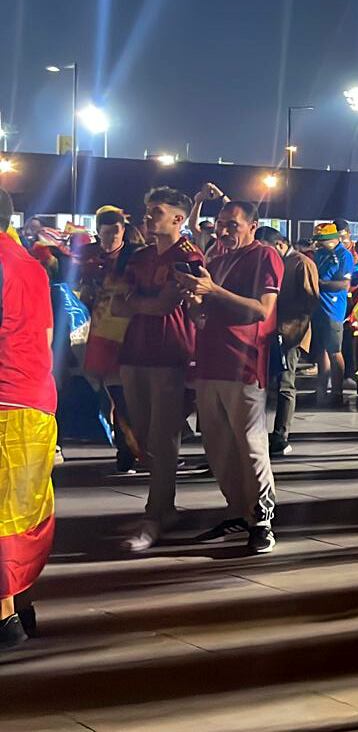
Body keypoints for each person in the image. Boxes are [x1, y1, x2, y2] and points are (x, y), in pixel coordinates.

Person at [178, 200, 283, 554]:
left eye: (232, 225)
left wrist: (213, 291)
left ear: (252, 225)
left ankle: (262, 519)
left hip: (244, 362)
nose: (223, 230)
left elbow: (262, 310)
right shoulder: (217, 259)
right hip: (210, 360)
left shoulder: (265, 256)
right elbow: (202, 315)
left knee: (250, 444)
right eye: (221, 223)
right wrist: (193, 299)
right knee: (217, 443)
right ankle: (238, 510)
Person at [117, 187, 205, 552]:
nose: (148, 216)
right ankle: (163, 506)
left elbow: (163, 306)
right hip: (133, 351)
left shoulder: (189, 255)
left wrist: (136, 301)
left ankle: (155, 514)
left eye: (157, 211)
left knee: (163, 436)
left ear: (178, 218)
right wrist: (142, 302)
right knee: (141, 434)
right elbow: (118, 302)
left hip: (170, 353)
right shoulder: (140, 256)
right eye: (148, 210)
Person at [0, 189, 57, 651]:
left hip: (3, 400)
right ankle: (22, 603)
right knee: (23, 508)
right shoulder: (32, 265)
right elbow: (48, 334)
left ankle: (4, 620)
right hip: (35, 399)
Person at [77, 207, 139, 473]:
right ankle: (127, 447)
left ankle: (129, 450)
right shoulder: (89, 259)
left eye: (116, 231)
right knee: (111, 396)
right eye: (107, 232)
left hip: (127, 335)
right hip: (98, 334)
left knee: (125, 396)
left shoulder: (135, 258)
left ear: (124, 231)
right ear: (97, 232)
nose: (112, 236)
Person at [257, 226, 318, 456]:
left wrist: (291, 332)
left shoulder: (301, 263)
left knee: (285, 384)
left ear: (280, 244)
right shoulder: (270, 262)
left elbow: (310, 302)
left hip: (290, 333)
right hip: (269, 330)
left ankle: (281, 435)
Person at [309, 222, 354, 406]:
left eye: (322, 240)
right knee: (321, 351)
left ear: (333, 239)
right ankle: (321, 389)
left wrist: (319, 284)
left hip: (333, 309)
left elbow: (344, 284)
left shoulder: (344, 256)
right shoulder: (320, 254)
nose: (318, 244)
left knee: (335, 351)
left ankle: (337, 392)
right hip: (317, 308)